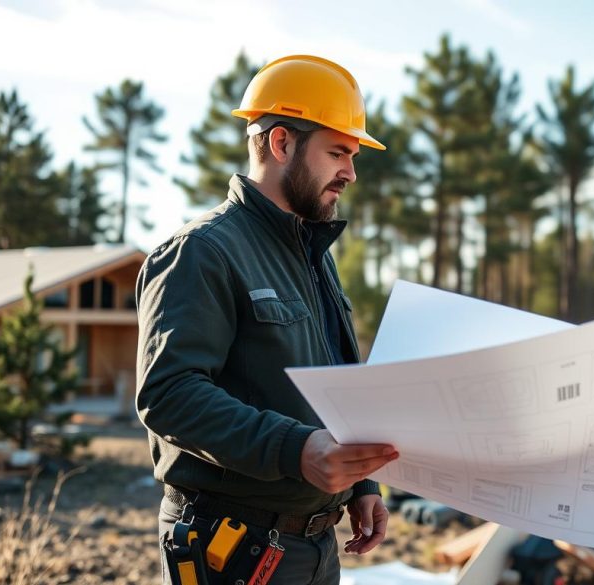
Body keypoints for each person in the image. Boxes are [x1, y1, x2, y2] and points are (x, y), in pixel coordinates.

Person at [136, 54, 399, 585]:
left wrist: (361, 486)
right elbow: (169, 395)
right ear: (281, 144)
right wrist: (296, 450)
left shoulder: (314, 256)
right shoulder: (201, 252)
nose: (350, 172)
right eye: (338, 152)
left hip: (315, 546)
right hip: (230, 547)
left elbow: (336, 384)